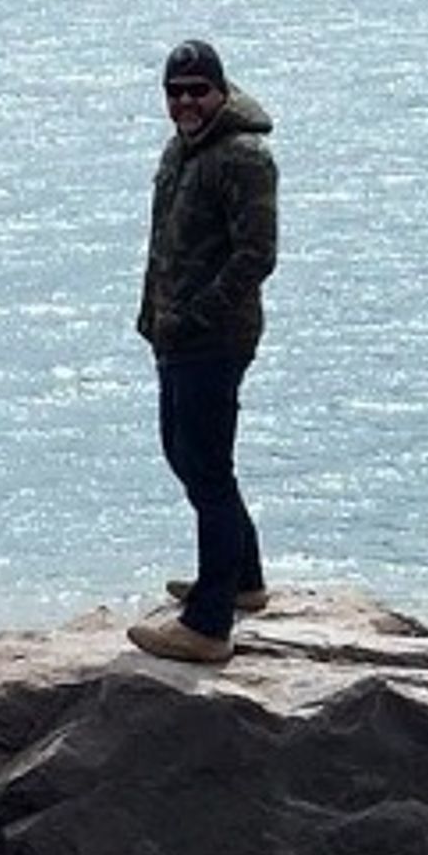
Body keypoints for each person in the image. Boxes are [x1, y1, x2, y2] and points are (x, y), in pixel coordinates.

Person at [130, 37, 276, 666]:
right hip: (174, 333)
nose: (186, 102)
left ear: (220, 90)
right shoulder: (182, 151)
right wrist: (152, 317)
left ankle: (209, 623)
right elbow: (166, 242)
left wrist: (196, 315)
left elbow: (256, 255)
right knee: (188, 457)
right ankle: (242, 579)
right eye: (175, 91)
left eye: (198, 90)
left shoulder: (243, 156)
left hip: (212, 338)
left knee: (204, 466)